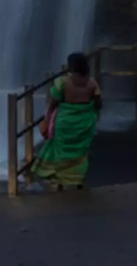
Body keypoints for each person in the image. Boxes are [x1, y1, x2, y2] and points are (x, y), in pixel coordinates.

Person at [31, 52, 102, 190]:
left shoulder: (62, 82)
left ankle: (59, 180)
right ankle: (78, 179)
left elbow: (54, 100)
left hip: (64, 122)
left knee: (60, 150)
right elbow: (98, 103)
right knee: (80, 152)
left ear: (71, 67)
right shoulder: (93, 83)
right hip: (84, 123)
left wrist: (49, 116)